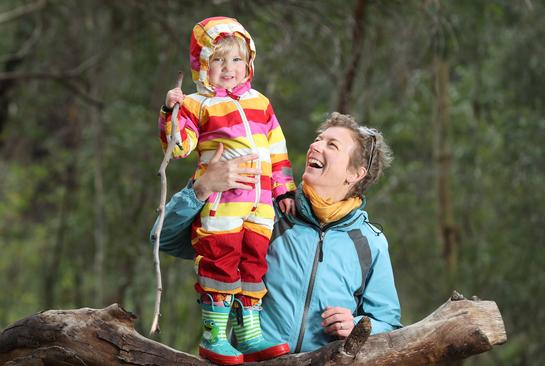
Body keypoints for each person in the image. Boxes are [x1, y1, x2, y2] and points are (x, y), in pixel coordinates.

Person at [152, 112, 402, 355]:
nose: (315, 146)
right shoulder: (264, 212)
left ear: (355, 174)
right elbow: (163, 238)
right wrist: (202, 188)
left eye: (332, 145)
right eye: (318, 139)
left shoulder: (371, 243)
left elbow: (389, 325)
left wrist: (358, 326)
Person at [157, 16, 295, 365]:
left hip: (261, 204)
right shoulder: (197, 103)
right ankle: (214, 335)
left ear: (248, 62)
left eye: (236, 59)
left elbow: (277, 149)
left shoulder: (261, 103)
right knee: (221, 259)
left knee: (254, 262)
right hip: (223, 202)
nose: (228, 68)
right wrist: (170, 113)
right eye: (218, 60)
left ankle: (248, 332)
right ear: (202, 64)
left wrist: (284, 190)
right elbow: (180, 147)